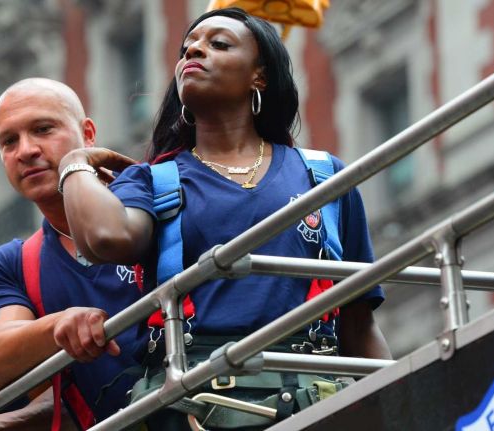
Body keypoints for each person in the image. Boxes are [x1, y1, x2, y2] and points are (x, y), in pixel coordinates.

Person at [58, 6, 391, 428]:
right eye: (187, 48)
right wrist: (74, 164)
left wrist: (404, 400)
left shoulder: (323, 176)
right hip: (198, 406)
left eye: (218, 44)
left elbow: (359, 324)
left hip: (316, 405)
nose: (194, 50)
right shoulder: (155, 180)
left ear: (260, 76)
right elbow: (103, 238)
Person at [0, 78, 144, 427]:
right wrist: (60, 324)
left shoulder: (157, 194)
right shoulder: (11, 264)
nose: (26, 150)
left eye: (43, 129)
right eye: (9, 141)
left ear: (88, 134)